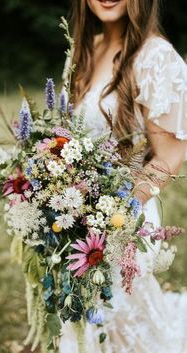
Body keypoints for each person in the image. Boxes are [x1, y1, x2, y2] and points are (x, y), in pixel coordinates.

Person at [59, 1, 187, 352]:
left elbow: (169, 156)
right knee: (80, 315)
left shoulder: (156, 58)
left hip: (125, 217)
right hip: (73, 216)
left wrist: (116, 214)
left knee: (118, 316)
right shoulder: (86, 51)